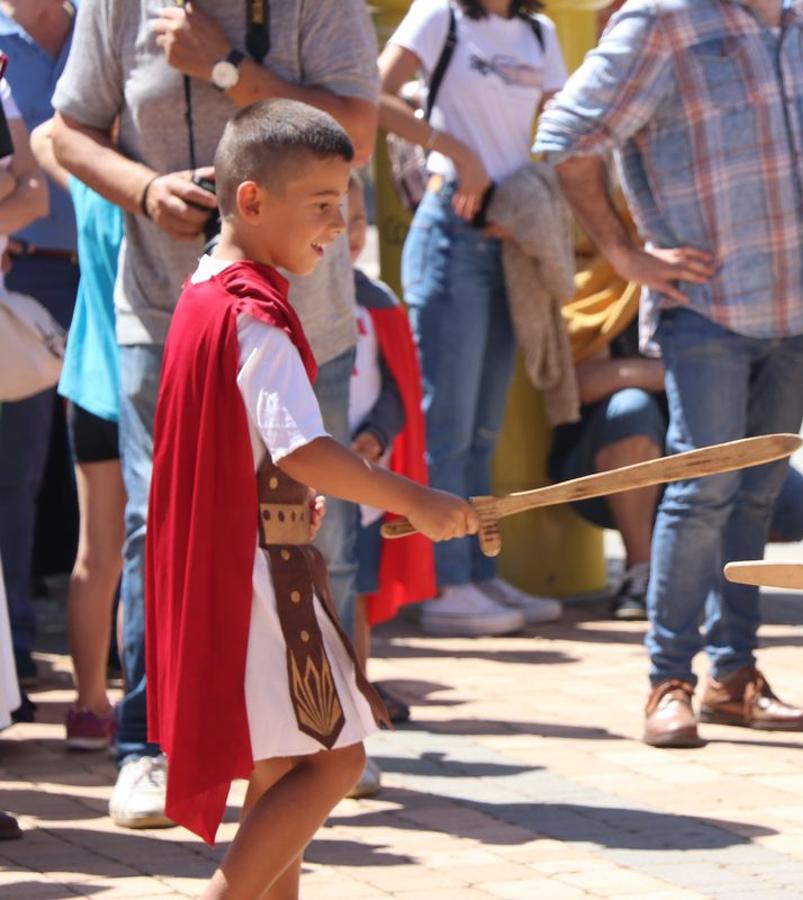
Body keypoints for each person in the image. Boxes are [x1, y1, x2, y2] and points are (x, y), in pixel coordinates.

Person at [49, 0, 378, 828]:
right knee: (158, 533)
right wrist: (145, 187)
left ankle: (307, 735)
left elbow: (356, 136)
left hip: (304, 309)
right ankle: (153, 747)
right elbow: (67, 130)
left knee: (319, 540)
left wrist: (227, 67)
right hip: (172, 311)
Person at [146, 100, 476, 895]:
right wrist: (416, 498)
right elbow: (301, 446)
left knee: (284, 765)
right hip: (259, 581)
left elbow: (254, 448)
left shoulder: (207, 288)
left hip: (236, 561)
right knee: (335, 759)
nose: (338, 224)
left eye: (346, 203)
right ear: (253, 200)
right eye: (321, 204)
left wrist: (283, 492)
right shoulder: (254, 315)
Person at [536, 0, 803, 748]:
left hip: (799, 304)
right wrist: (625, 254)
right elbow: (564, 135)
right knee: (701, 493)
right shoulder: (666, 19)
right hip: (705, 306)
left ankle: (732, 678)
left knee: (756, 495)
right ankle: (666, 681)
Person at [377, 0, 568, 638]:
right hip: (447, 233)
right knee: (448, 422)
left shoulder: (540, 32)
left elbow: (559, 126)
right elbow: (372, 95)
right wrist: (457, 150)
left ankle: (478, 571)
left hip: (508, 239)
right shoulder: (440, 17)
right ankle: (443, 582)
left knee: (484, 425)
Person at [550, 306, 803, 620]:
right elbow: (586, 382)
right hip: (605, 475)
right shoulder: (611, 285)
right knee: (631, 409)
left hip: (699, 456)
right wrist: (698, 369)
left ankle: (704, 571)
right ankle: (642, 573)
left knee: (799, 507)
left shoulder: (717, 294)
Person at [30, 116, 126, 752]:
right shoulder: (163, 196)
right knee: (155, 557)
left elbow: (43, 135)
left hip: (89, 383)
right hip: (147, 390)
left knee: (97, 556)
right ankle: (155, 705)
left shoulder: (89, 183)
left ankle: (89, 703)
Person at [0, 0, 78, 690]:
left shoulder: (115, 27)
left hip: (114, 279)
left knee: (109, 467)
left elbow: (29, 192)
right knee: (16, 478)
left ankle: (118, 639)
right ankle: (17, 650)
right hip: (19, 280)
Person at [346, 176, 436, 737]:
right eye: (332, 215)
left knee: (353, 591)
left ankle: (357, 687)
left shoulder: (376, 301)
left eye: (358, 219)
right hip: (302, 483)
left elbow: (398, 389)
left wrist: (376, 438)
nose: (348, 232)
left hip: (362, 483)